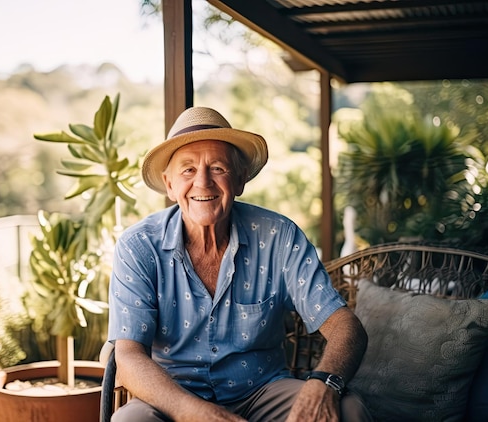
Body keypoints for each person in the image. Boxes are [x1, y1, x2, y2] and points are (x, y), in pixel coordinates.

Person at [107, 107, 371, 422]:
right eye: (188, 170)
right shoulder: (139, 246)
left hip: (262, 392)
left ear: (241, 178)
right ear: (169, 184)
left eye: (217, 168)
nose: (203, 183)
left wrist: (324, 382)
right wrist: (194, 412)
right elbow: (128, 355)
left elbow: (346, 327)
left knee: (348, 409)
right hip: (172, 396)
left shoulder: (279, 236)